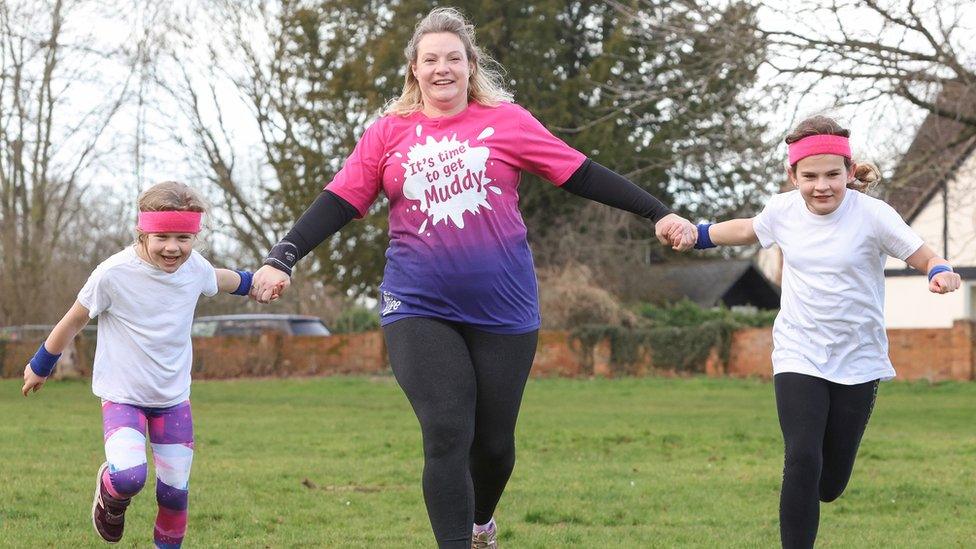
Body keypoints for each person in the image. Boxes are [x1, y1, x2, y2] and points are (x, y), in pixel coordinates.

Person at [249, 6, 695, 548]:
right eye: (430, 59)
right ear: (414, 67)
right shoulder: (389, 134)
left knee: (494, 446)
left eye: (453, 58)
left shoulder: (507, 122)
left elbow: (580, 172)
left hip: (504, 308)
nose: (442, 68)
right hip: (417, 305)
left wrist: (658, 212)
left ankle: (482, 522)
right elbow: (339, 200)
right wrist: (282, 257)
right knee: (445, 431)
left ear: (470, 65)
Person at [682, 115, 962, 549]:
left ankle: (816, 492)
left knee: (829, 483)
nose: (822, 185)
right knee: (801, 459)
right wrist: (699, 234)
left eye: (833, 174)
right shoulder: (783, 210)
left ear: (850, 173)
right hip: (799, 351)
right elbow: (748, 229)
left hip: (859, 358)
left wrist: (940, 270)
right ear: (792, 176)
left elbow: (921, 253)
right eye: (809, 176)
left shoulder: (873, 215)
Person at [21, 181, 264, 549]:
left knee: (175, 494)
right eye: (162, 236)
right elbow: (74, 320)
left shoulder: (194, 268)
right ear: (142, 232)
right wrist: (41, 363)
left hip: (173, 398)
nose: (173, 247)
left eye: (183, 237)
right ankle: (111, 496)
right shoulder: (113, 273)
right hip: (123, 396)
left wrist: (255, 283)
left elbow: (222, 279)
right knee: (130, 476)